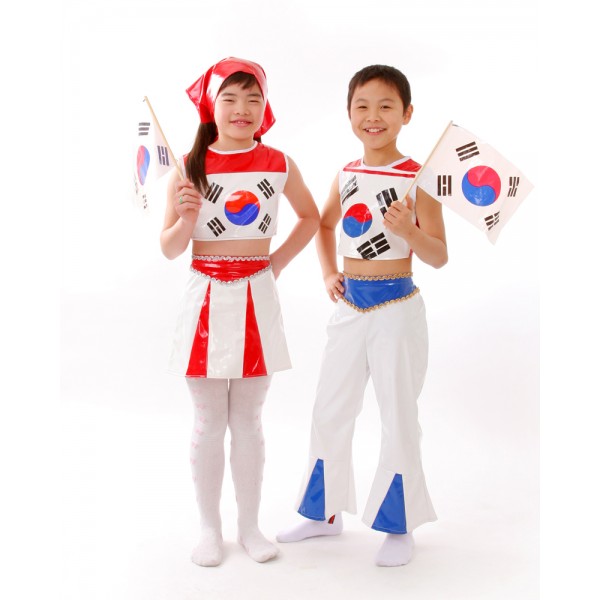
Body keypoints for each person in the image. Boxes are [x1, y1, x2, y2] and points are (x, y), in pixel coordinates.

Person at [276, 64, 448, 567]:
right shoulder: (347, 173)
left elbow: (439, 256)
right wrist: (329, 272)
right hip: (349, 306)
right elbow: (325, 224)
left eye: (386, 106)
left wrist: (409, 231)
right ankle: (322, 512)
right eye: (362, 106)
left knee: (398, 415)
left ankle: (398, 524)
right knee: (329, 409)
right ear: (349, 113)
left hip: (397, 308)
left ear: (407, 114)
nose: (373, 116)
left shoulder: (420, 179)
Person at [161, 57, 319, 567]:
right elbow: (169, 248)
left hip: (257, 296)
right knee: (208, 421)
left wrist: (276, 263)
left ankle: (249, 526)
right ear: (211, 105)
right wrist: (186, 218)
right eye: (229, 98)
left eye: (253, 98)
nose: (242, 109)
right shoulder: (188, 165)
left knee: (248, 419)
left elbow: (310, 217)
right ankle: (210, 529)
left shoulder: (279, 163)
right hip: (204, 298)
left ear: (265, 106)